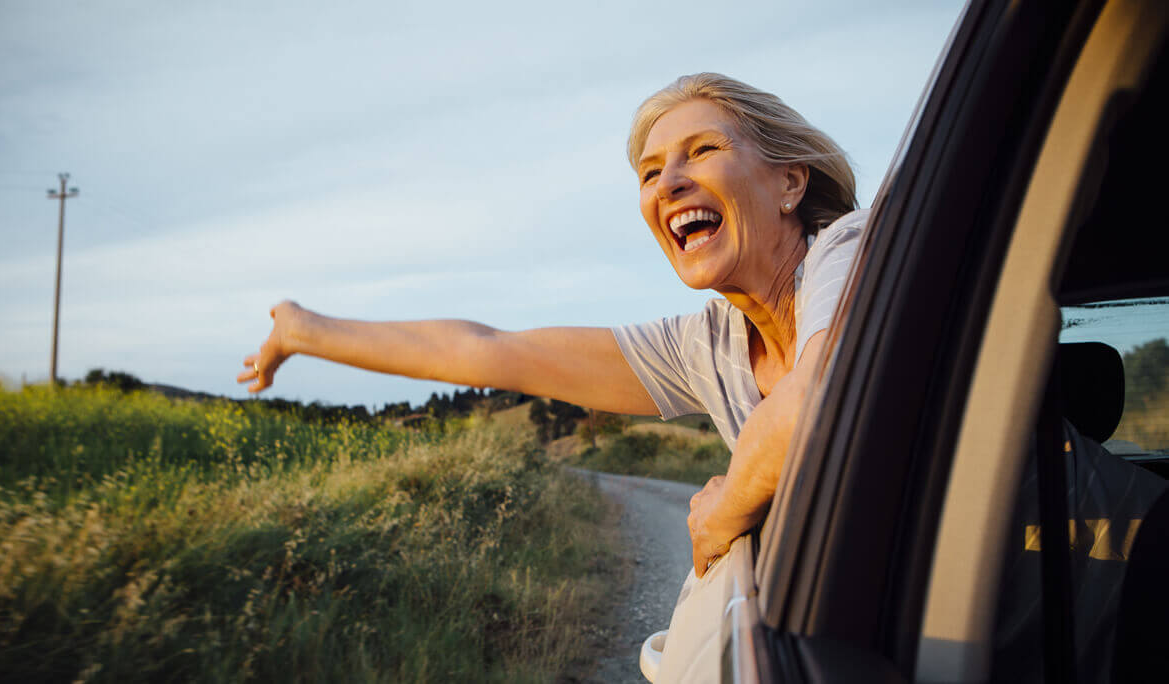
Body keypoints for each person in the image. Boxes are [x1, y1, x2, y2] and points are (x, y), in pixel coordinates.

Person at [238, 73, 867, 578]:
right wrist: (305, 330)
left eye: (703, 151)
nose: (669, 183)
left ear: (789, 181)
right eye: (650, 173)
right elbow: (488, 352)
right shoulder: (707, 346)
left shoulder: (850, 249)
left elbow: (813, 401)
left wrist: (722, 510)